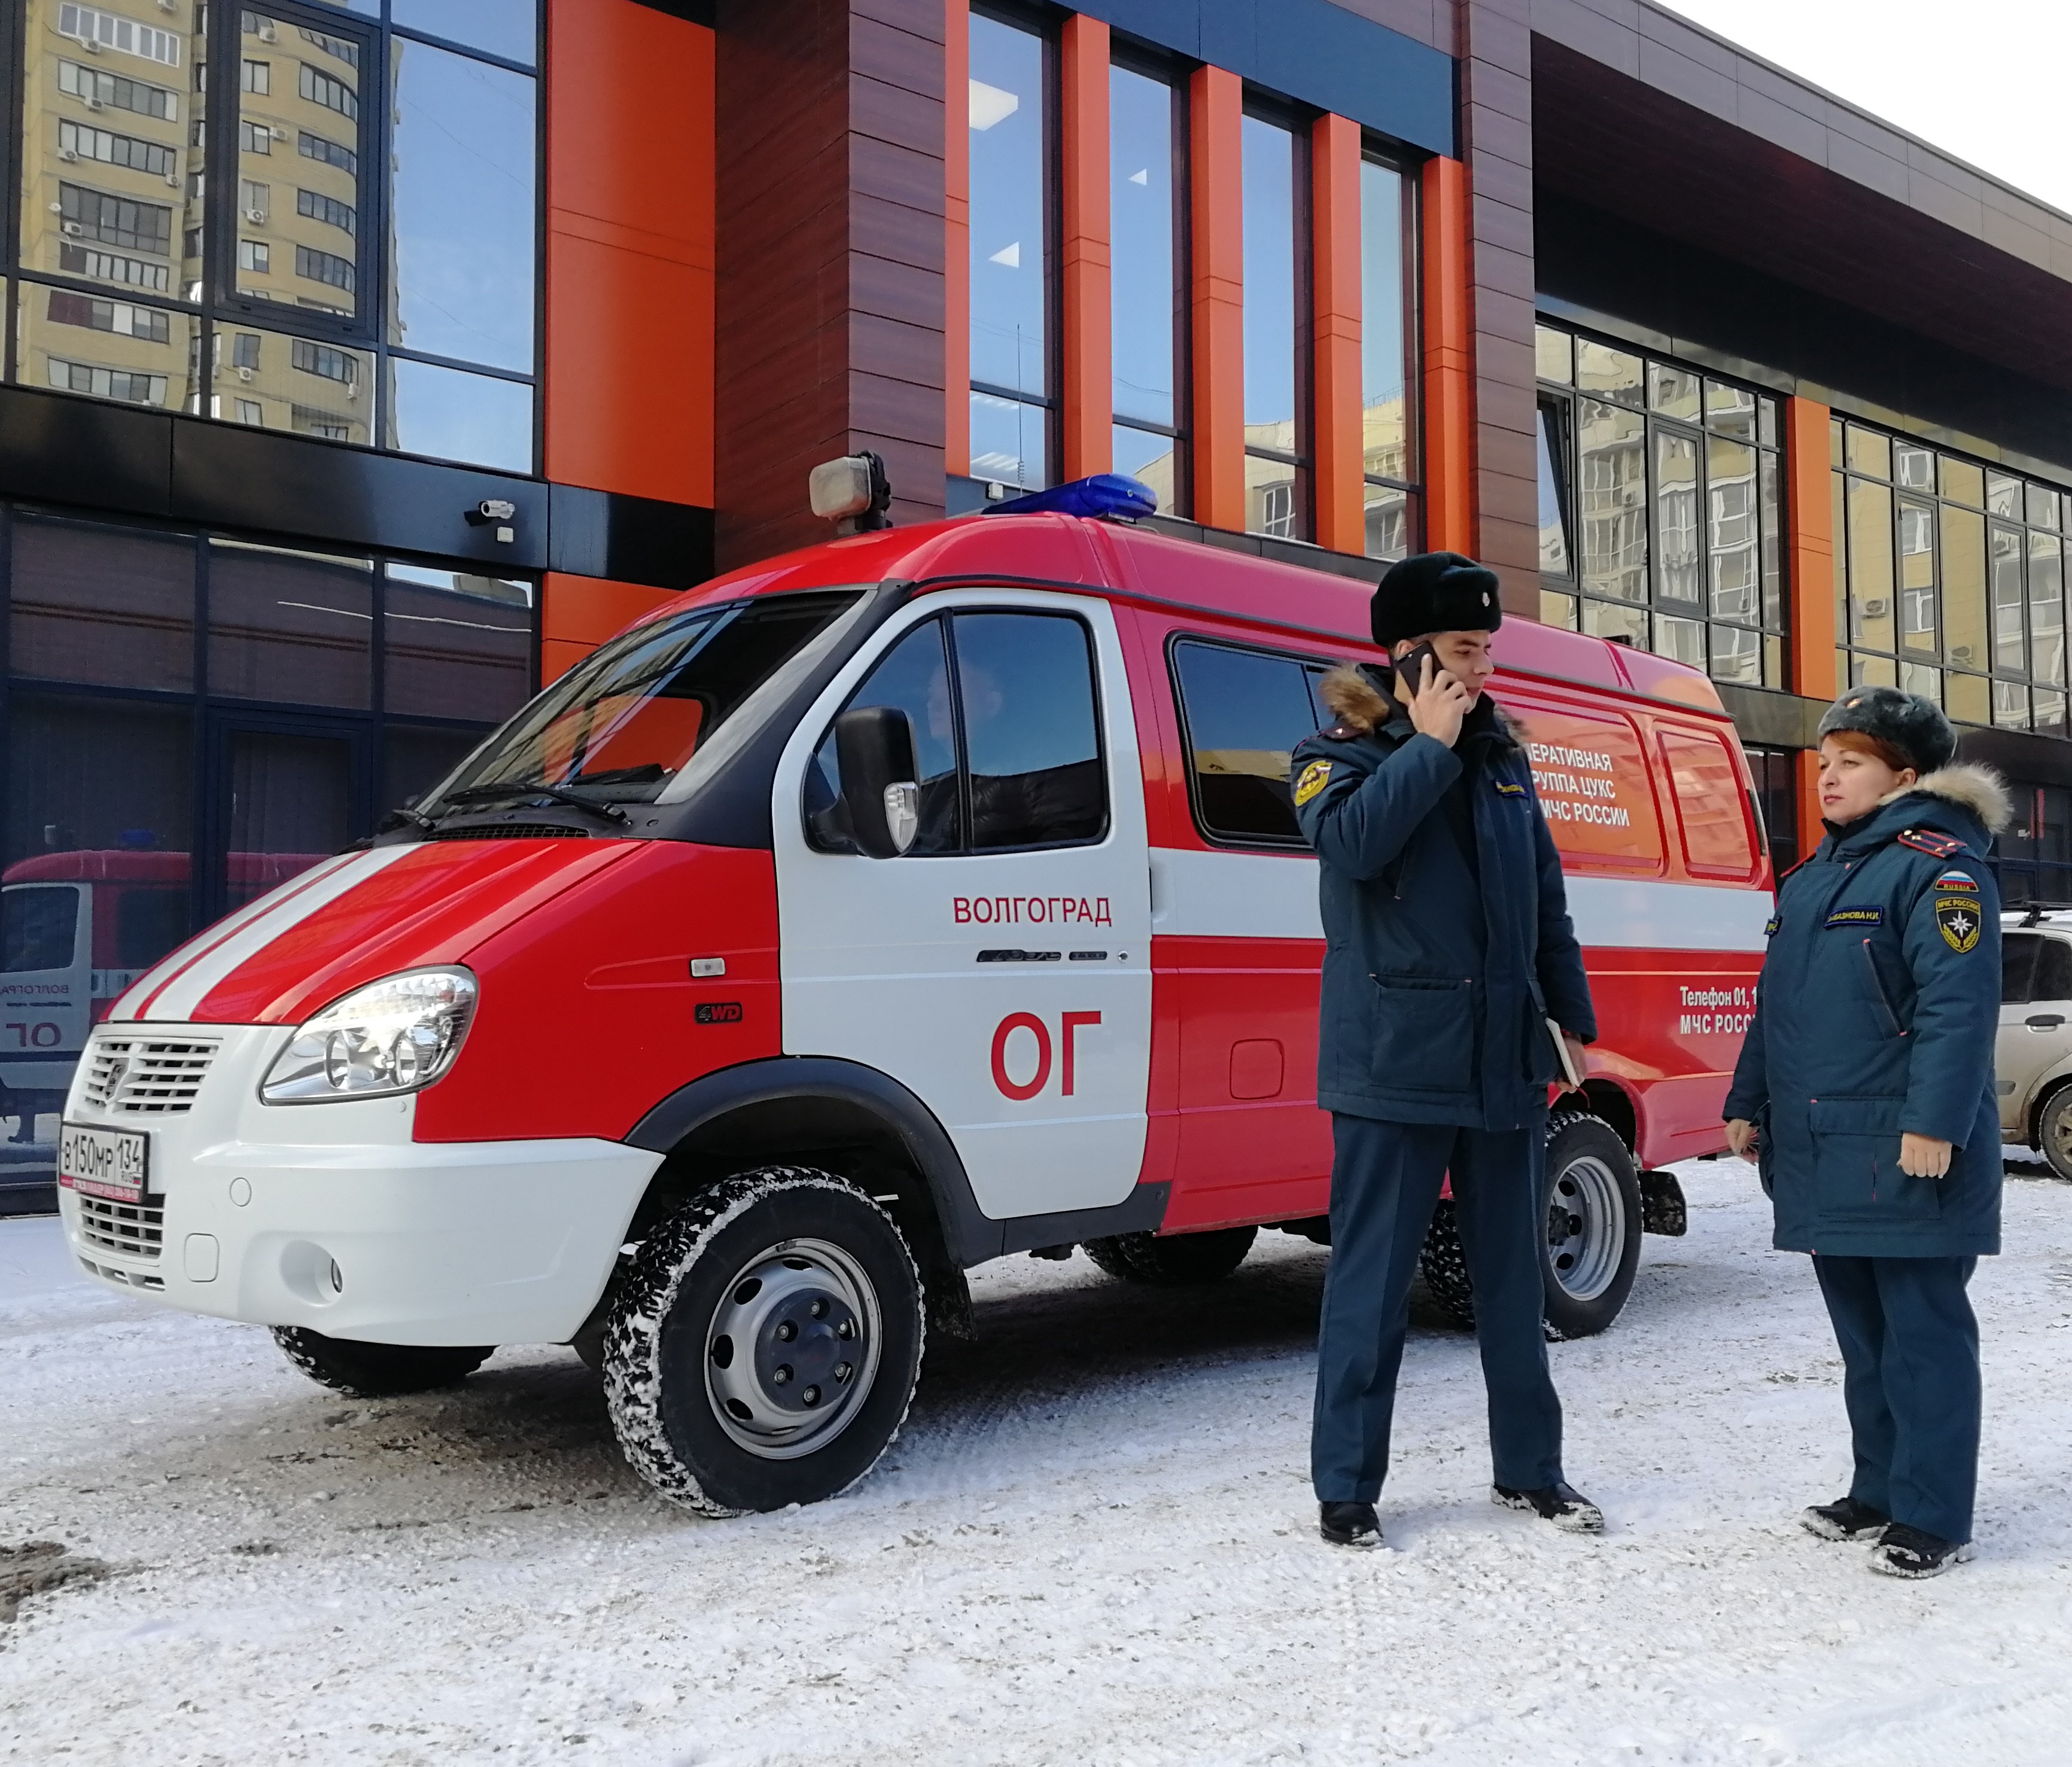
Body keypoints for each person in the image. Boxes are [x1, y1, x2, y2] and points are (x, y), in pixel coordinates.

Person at [1291, 550, 1601, 1550]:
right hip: (1394, 1061)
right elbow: (1350, 849)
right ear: (1408, 650)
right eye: (1465, 649)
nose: (1483, 667)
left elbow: (1545, 894)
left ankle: (1533, 1470)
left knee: (1514, 1283)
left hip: (1504, 1058)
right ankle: (1347, 1486)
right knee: (1372, 1284)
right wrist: (1424, 746)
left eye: (1487, 648)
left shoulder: (1505, 756)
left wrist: (1570, 1018)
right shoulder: (1338, 751)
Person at [1724, 686, 2007, 1579]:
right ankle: (1879, 1487)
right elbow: (1777, 1005)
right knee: (1865, 1338)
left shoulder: (1941, 868)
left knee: (1923, 1335)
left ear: (1907, 774)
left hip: (1905, 1148)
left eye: (1851, 760)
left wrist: (1935, 1124)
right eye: (1824, 761)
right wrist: (1747, 1098)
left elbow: (1959, 1010)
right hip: (1825, 1144)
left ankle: (1934, 1514)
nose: (1828, 775)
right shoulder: (1814, 877)